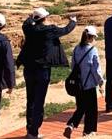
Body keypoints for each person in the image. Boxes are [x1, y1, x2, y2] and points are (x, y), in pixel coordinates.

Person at [17, 7, 77, 139]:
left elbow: (26, 23)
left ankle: (29, 129)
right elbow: (66, 30)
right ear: (44, 18)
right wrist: (73, 21)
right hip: (42, 70)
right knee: (39, 101)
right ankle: (34, 132)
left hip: (29, 69)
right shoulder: (49, 30)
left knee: (30, 99)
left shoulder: (28, 29)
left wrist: (31, 17)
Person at [63, 26, 103, 138]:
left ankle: (71, 125)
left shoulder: (76, 49)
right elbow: (96, 69)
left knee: (81, 107)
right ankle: (88, 131)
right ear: (91, 38)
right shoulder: (92, 50)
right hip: (89, 85)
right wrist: (100, 82)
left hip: (78, 85)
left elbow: (73, 66)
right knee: (91, 110)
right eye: (94, 37)